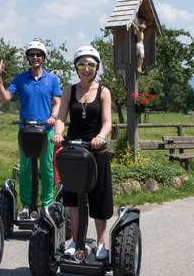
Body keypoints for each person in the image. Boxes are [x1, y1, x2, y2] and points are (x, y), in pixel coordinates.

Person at [52, 45, 113, 260]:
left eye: (91, 65)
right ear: (77, 67)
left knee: (98, 198)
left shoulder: (103, 91)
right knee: (72, 199)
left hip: (96, 150)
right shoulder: (70, 90)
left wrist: (101, 137)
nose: (86, 68)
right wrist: (58, 133)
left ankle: (101, 243)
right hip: (74, 150)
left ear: (96, 68)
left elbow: (107, 122)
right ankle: (75, 240)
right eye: (82, 64)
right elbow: (60, 118)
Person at [0, 40, 62, 218]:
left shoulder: (52, 79)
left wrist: (53, 116)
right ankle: (27, 205)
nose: (35, 57)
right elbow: (5, 98)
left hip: (46, 130)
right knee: (25, 169)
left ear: (43, 57)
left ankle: (47, 204)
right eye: (32, 54)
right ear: (28, 58)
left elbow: (57, 102)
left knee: (46, 168)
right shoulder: (21, 78)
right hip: (26, 131)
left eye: (38, 54)